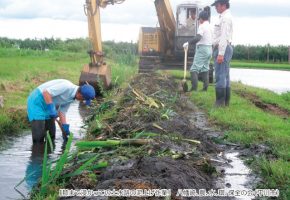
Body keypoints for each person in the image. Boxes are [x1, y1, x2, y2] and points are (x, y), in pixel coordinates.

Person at [27, 79, 95, 143]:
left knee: (51, 136)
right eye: (84, 99)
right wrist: (51, 109)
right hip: (37, 101)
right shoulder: (66, 86)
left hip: (48, 104)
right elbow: (46, 92)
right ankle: (37, 154)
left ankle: (49, 154)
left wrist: (65, 128)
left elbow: (62, 112)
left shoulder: (72, 98)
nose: (82, 101)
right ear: (80, 94)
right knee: (39, 138)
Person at [211, 0, 233, 107]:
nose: (215, 7)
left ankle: (220, 103)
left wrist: (220, 53)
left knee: (220, 75)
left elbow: (224, 36)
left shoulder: (225, 18)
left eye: (217, 5)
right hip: (224, 48)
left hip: (222, 48)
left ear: (223, 5)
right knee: (225, 75)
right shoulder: (223, 17)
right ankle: (225, 103)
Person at [188, 9, 212, 91]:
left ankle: (194, 89)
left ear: (201, 18)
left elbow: (198, 37)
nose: (199, 21)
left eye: (199, 19)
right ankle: (205, 88)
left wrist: (188, 43)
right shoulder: (210, 26)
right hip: (209, 49)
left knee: (194, 69)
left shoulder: (202, 26)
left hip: (202, 49)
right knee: (205, 68)